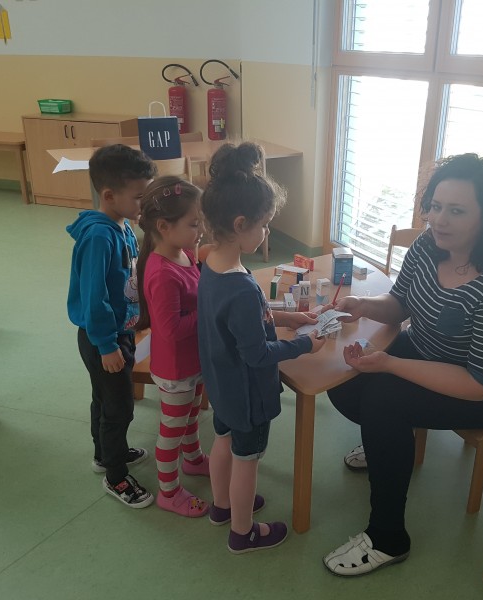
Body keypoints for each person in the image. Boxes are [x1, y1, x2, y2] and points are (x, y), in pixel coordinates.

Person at [322, 153, 483, 576]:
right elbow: (401, 303)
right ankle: (388, 443)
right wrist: (363, 306)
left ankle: (388, 537)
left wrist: (390, 364)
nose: (439, 220)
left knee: (383, 401)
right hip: (434, 350)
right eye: (435, 206)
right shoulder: (430, 245)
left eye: (457, 211)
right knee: (345, 377)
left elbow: (477, 385)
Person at [197, 142, 326, 553]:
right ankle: (243, 531)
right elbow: (257, 355)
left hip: (221, 384)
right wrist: (305, 345)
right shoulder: (239, 287)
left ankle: (222, 507)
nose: (268, 232)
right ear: (240, 224)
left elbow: (242, 323)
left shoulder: (212, 264)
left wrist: (288, 319)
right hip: (248, 393)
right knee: (247, 459)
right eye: (265, 224)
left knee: (222, 441)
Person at [67, 144, 157, 509]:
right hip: (102, 338)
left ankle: (105, 454)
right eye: (139, 197)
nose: (144, 204)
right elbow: (95, 298)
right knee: (119, 408)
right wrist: (107, 345)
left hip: (118, 332)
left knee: (105, 400)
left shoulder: (122, 225)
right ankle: (116, 476)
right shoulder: (99, 237)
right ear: (108, 195)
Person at [135, 175, 209, 518]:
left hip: (193, 360)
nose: (201, 230)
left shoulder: (184, 253)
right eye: (194, 224)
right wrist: (208, 310)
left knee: (192, 415)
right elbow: (170, 328)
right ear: (164, 227)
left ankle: (193, 459)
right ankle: (169, 491)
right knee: (171, 431)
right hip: (176, 369)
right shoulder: (163, 273)